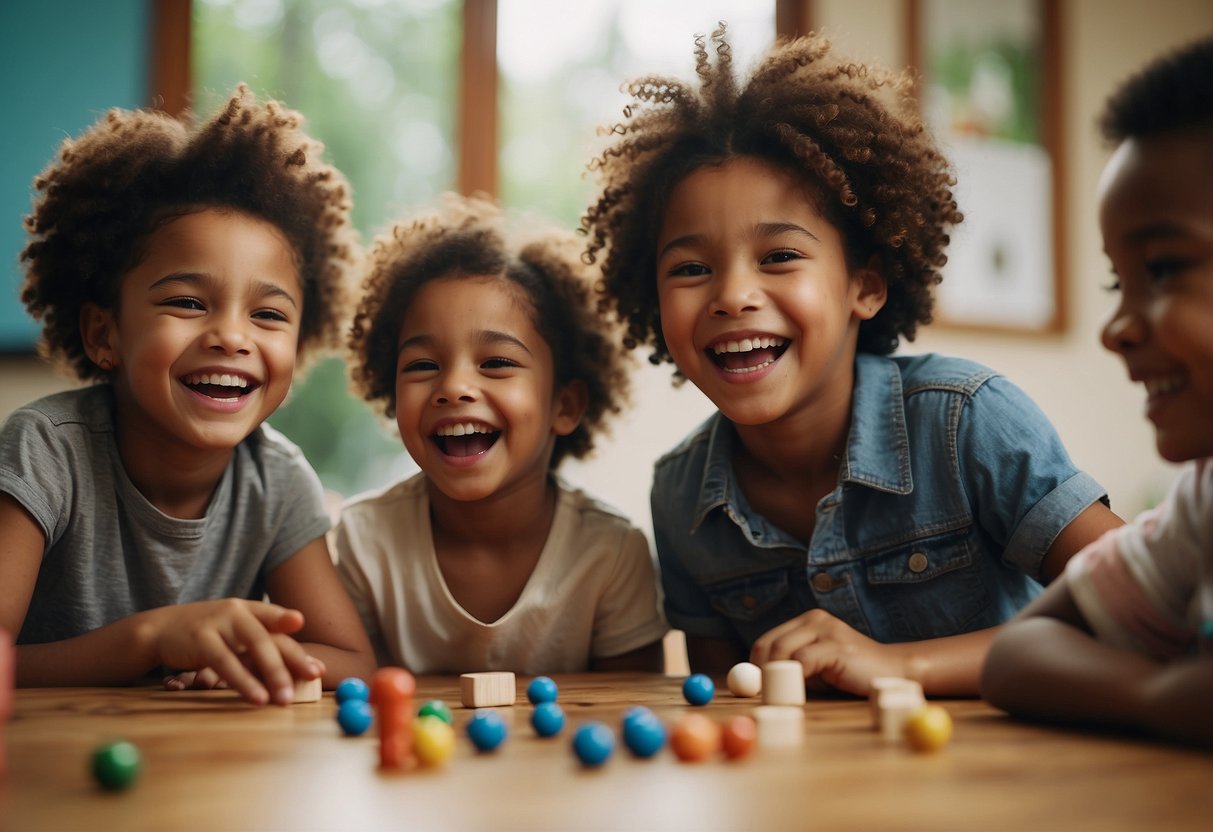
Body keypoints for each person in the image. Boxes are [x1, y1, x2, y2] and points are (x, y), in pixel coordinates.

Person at [582, 27, 1123, 696]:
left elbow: (1134, 612)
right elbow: (723, 696)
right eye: (691, 269)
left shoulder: (969, 423)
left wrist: (904, 667)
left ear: (863, 286)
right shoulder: (680, 497)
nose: (730, 296)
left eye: (779, 256)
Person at [0, 86, 376, 706]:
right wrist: (152, 639)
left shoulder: (276, 479)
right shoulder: (47, 452)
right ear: (104, 332)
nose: (231, 335)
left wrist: (244, 656)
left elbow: (353, 660)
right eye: (187, 302)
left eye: (268, 314)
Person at [981, 38, 1213, 747]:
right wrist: (1158, 697)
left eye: (1164, 267)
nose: (1112, 329)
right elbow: (1016, 653)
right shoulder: (1203, 503)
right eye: (1119, 281)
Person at [334, 194, 667, 674]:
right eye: (423, 365)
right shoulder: (364, 542)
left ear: (564, 405)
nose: (453, 388)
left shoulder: (610, 554)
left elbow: (632, 710)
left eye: (496, 363)